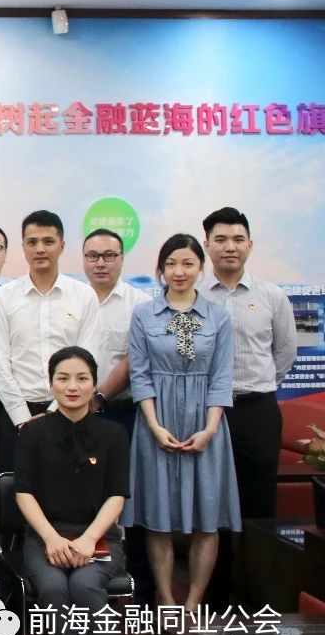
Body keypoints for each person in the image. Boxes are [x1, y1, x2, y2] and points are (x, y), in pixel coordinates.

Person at [122, 234, 240, 611]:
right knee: (158, 517)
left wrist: (210, 429)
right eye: (171, 263)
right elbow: (140, 376)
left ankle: (194, 601)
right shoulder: (144, 315)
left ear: (200, 268)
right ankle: (166, 599)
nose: (179, 271)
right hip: (156, 422)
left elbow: (222, 378)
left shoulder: (218, 316)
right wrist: (154, 426)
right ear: (161, 269)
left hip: (206, 422)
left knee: (208, 517)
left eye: (188, 263)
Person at [201, 207, 295, 607]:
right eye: (221, 239)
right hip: (208, 414)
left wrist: (255, 387)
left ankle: (257, 599)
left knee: (259, 510)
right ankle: (217, 598)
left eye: (238, 239)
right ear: (207, 246)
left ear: (250, 245)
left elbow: (285, 354)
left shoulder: (272, 296)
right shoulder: (194, 296)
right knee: (212, 507)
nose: (230, 247)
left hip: (257, 411)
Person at [16, 346, 129, 635]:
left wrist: (88, 539)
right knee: (52, 587)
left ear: (94, 384)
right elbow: (23, 493)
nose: (73, 387)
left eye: (82, 379)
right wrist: (51, 538)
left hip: (98, 536)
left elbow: (117, 495)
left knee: (85, 585)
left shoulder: (113, 434)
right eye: (63, 378)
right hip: (44, 537)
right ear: (51, 384)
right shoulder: (32, 433)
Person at [0, 210, 101, 472]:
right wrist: (22, 418)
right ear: (23, 247)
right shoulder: (4, 297)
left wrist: (53, 413)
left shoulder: (83, 296)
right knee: (14, 490)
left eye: (48, 241)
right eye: (32, 242)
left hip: (71, 412)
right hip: (16, 416)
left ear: (61, 246)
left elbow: (87, 360)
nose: (40, 249)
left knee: (72, 490)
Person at [80, 228, 154, 604]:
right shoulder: (74, 298)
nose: (101, 263)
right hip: (76, 414)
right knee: (83, 497)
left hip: (123, 412)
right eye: (93, 256)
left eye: (109, 255)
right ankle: (88, 583)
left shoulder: (140, 304)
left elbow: (132, 359)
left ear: (122, 259)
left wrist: (98, 396)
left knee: (129, 497)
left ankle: (141, 590)